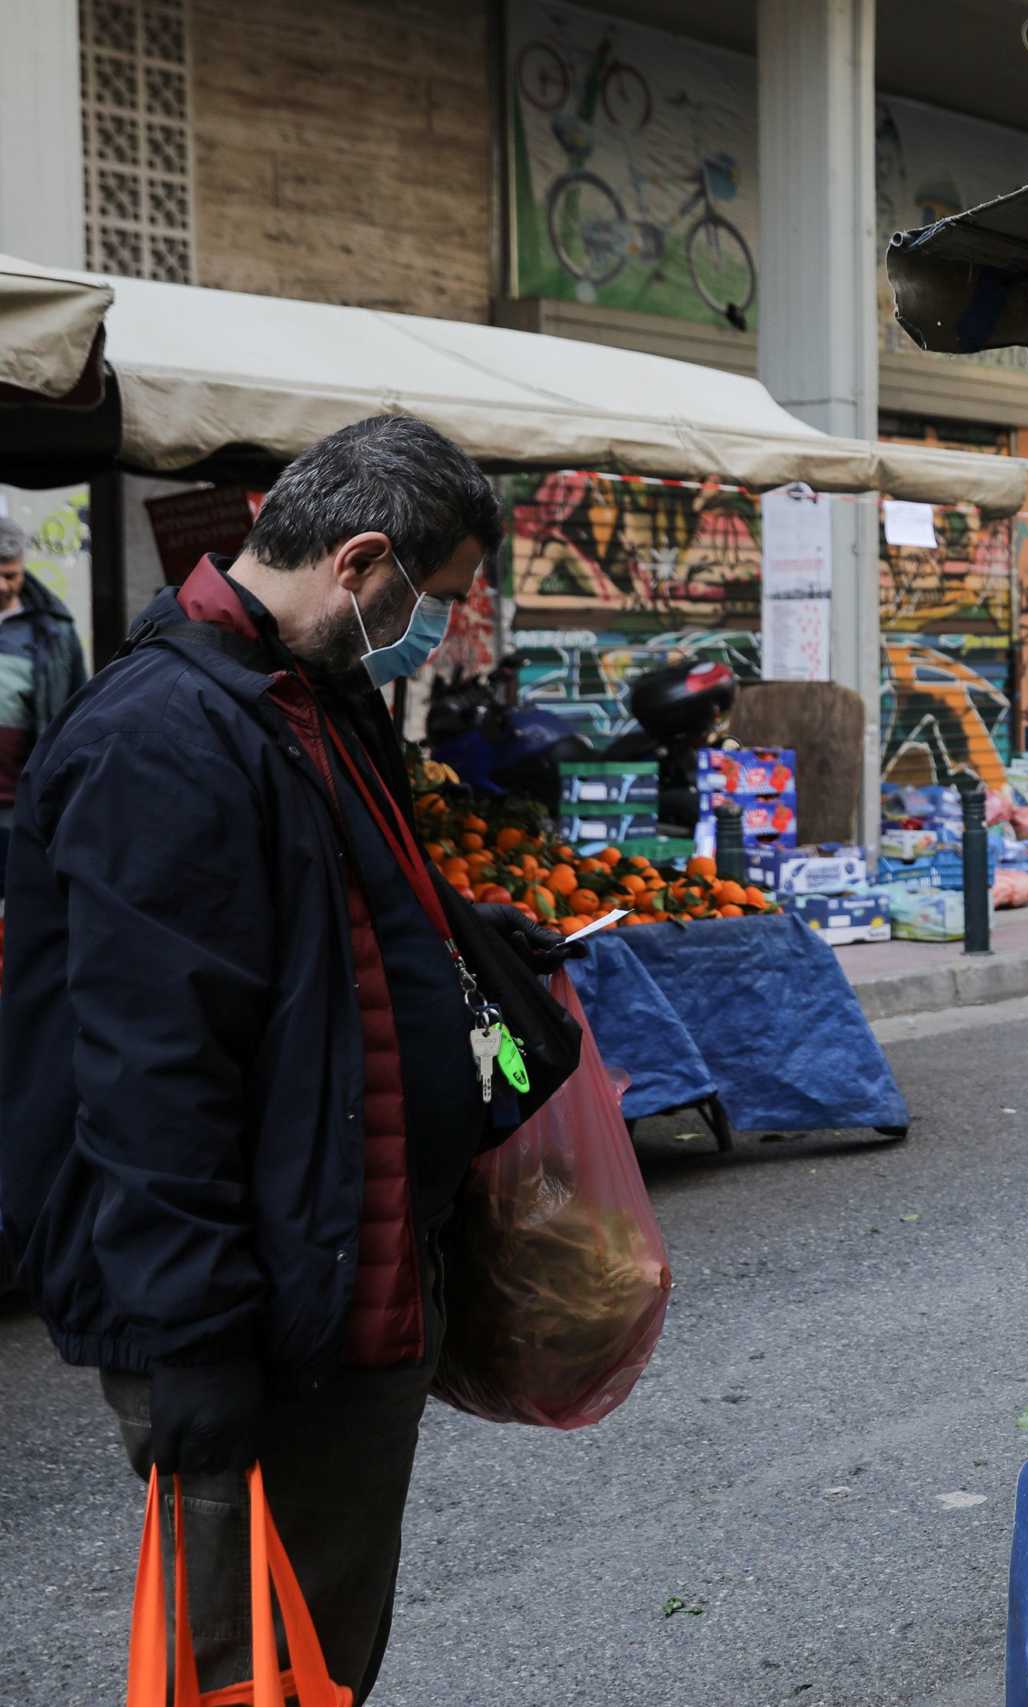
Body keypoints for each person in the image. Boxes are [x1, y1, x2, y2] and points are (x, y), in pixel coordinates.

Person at [0, 416, 578, 1705]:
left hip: (339, 1265)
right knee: (246, 1669)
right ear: (360, 563)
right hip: (245, 1307)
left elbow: (343, 907)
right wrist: (194, 1343)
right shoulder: (161, 735)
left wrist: (469, 951)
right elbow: (147, 1074)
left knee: (314, 1647)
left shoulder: (307, 698)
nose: (435, 633)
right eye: (433, 603)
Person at [0, 517, 90, 898]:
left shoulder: (54, 630)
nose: (3, 586)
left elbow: (78, 713)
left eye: (11, 575)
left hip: (15, 804)